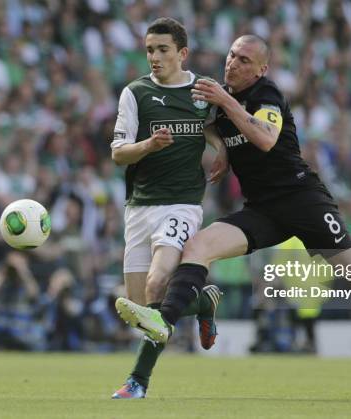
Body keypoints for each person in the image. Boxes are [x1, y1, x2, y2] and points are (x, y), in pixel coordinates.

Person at [116, 35, 351, 397]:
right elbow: (206, 126)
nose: (233, 64)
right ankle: (159, 335)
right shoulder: (213, 99)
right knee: (197, 247)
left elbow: (267, 139)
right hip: (262, 210)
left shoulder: (266, 95)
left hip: (304, 201)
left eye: (244, 60)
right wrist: (221, 145)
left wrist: (227, 103)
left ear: (262, 69)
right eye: (231, 56)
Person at [109, 18, 227, 399]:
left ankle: (137, 381)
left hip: (181, 205)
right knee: (142, 307)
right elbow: (117, 153)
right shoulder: (135, 92)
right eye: (149, 50)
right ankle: (201, 302)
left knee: (159, 282)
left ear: (182, 53)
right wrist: (148, 146)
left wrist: (221, 147)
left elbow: (212, 126)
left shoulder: (202, 91)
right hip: (139, 206)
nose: (154, 57)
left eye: (162, 50)